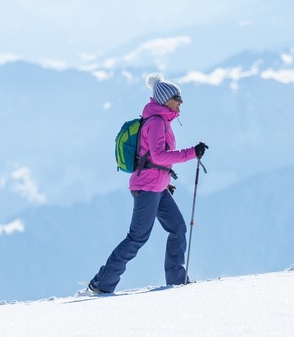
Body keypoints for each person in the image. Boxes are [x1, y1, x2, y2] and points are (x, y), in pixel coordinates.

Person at [87, 74, 207, 294]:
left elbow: (153, 159)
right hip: (148, 188)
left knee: (178, 228)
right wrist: (192, 153)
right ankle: (101, 283)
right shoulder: (155, 122)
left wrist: (165, 181)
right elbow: (159, 156)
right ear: (164, 100)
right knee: (137, 237)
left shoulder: (161, 121)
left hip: (157, 188)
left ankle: (176, 280)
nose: (181, 101)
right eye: (177, 97)